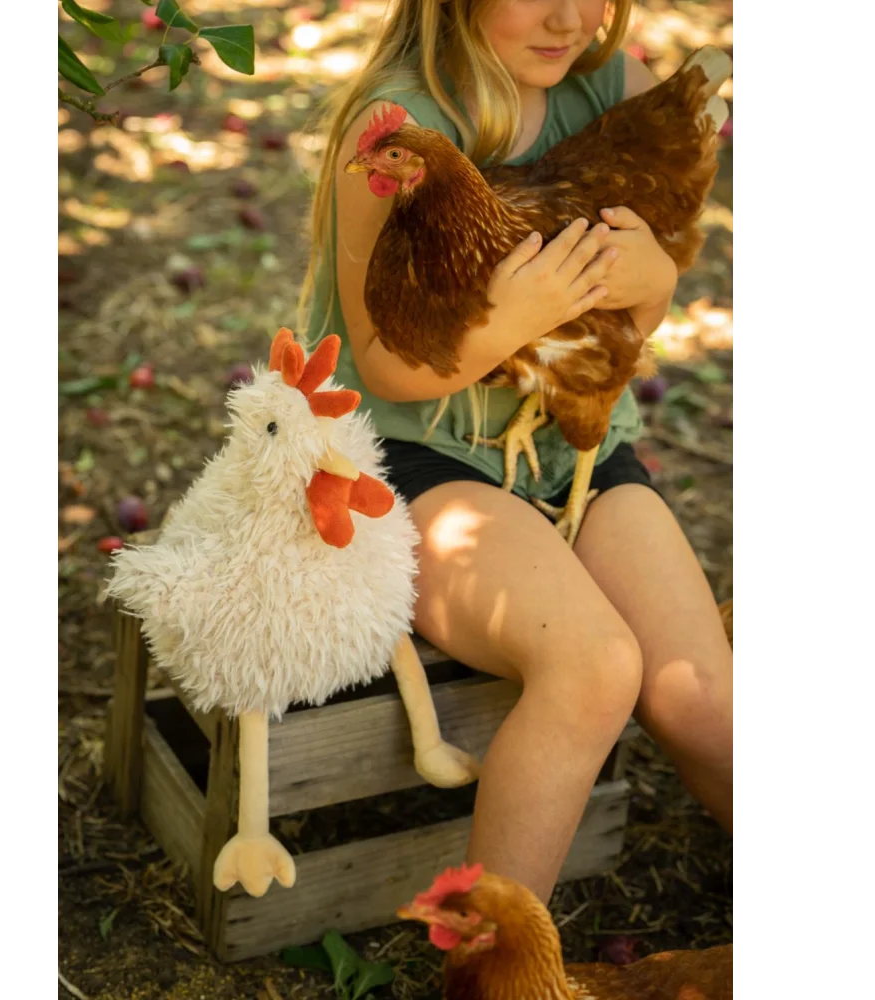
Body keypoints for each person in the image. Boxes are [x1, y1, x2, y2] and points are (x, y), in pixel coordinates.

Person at [299, 0, 734, 905]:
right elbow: (385, 365)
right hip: (420, 460)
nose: (571, 15)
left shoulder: (619, 91)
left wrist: (656, 284)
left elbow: (625, 320)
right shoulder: (398, 129)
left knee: (700, 696)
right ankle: (497, 965)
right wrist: (512, 320)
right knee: (592, 666)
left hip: (575, 447)